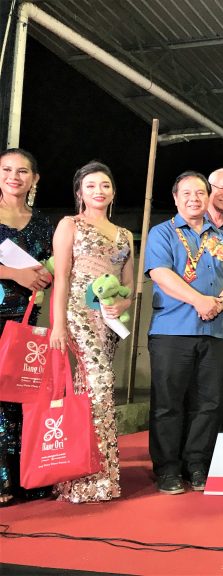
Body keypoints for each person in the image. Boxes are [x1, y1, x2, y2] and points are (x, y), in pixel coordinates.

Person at [145, 171, 223, 494]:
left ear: (208, 197)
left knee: (209, 402)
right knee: (168, 402)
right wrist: (199, 300)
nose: (194, 199)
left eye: (200, 193)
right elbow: (160, 273)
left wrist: (222, 301)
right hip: (172, 330)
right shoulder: (163, 232)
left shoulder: (221, 235)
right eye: (186, 193)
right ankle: (168, 468)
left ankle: (197, 464)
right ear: (175, 198)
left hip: (215, 330)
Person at [50, 161, 133, 503]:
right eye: (91, 185)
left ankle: (89, 476)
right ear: (80, 192)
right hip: (77, 313)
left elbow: (129, 285)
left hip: (108, 320)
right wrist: (57, 324)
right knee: (99, 382)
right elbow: (62, 278)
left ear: (113, 192)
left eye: (105, 185)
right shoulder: (70, 224)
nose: (99, 191)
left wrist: (122, 304)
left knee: (93, 387)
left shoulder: (124, 235)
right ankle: (91, 477)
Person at [0, 148, 53, 506]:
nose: (13, 177)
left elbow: (52, 267)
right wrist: (13, 273)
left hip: (25, 321)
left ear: (34, 178)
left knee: (21, 400)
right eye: (6, 170)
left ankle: (25, 478)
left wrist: (47, 275)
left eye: (22, 171)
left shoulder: (44, 223)